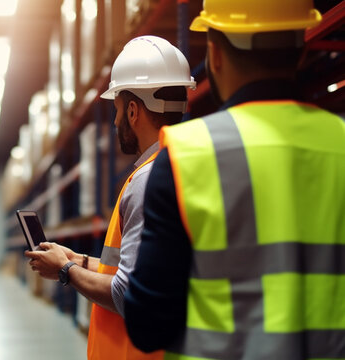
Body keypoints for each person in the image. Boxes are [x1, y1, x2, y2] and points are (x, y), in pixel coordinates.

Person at [123, 1, 345, 359]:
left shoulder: (184, 156)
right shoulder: (340, 143)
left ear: (215, 54)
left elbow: (148, 325)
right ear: (302, 50)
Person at [25, 35, 195, 360]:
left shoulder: (148, 179)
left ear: (133, 111)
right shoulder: (189, 164)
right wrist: (77, 259)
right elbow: (142, 268)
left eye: (117, 110)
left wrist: (65, 271)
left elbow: (126, 293)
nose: (115, 123)